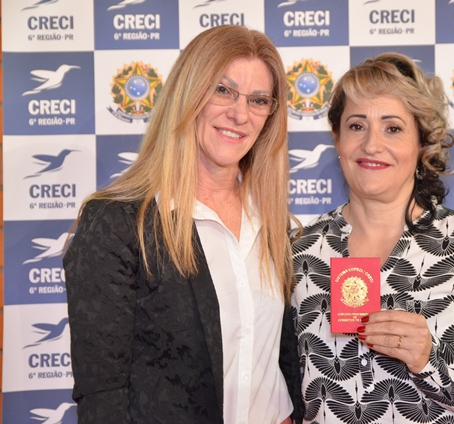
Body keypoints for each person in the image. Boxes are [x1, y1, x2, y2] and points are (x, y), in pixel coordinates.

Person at [291, 52, 454, 424]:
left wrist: (433, 360)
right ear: (337, 139)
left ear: (422, 143)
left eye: (393, 128)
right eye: (357, 126)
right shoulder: (300, 250)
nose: (371, 145)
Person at [64, 25, 302, 424]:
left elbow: (280, 359)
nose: (240, 114)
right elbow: (102, 396)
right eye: (222, 90)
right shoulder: (117, 222)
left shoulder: (273, 223)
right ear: (187, 93)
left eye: (258, 100)